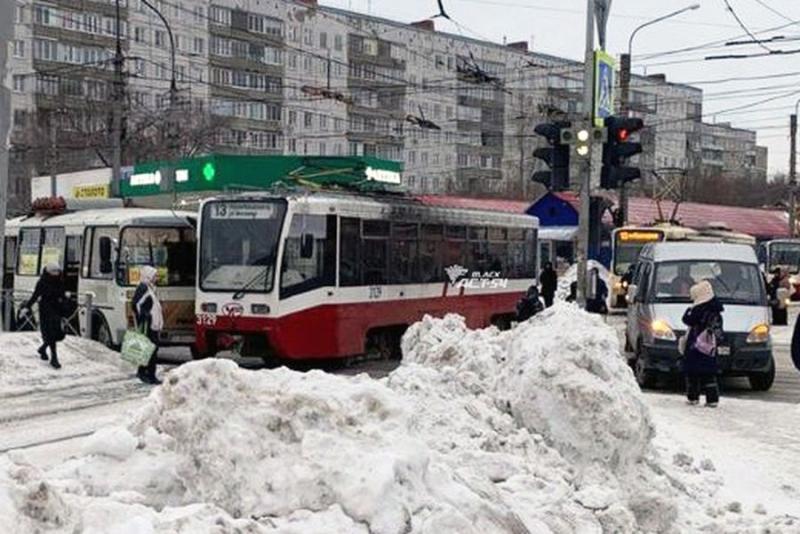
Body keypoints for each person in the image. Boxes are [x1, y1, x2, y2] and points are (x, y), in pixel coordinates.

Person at [681, 280, 724, 407]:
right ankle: (712, 399)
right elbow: (719, 331)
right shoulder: (716, 311)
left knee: (693, 373)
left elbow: (687, 320)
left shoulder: (698, 310)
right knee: (709, 375)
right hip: (709, 347)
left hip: (695, 346)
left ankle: (693, 397)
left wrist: (689, 310)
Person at [23, 263, 67, 369]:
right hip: (46, 310)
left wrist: (65, 305)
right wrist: (27, 307)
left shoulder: (60, 281)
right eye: (53, 272)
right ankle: (54, 358)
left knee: (59, 334)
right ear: (48, 272)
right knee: (51, 333)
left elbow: (62, 295)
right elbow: (35, 295)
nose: (56, 274)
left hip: (57, 310)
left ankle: (43, 348)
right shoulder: (42, 282)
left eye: (57, 271)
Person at [132, 265, 163, 385]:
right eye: (154, 276)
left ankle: (145, 372)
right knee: (150, 349)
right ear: (148, 276)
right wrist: (146, 316)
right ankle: (148, 374)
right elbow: (136, 304)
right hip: (147, 325)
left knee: (150, 349)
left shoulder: (150, 288)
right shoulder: (143, 288)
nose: (156, 278)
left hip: (152, 325)